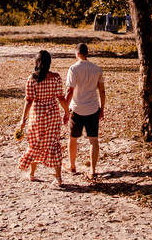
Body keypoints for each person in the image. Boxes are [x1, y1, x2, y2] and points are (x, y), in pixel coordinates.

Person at [18, 50, 69, 185]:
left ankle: (32, 174)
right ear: (49, 63)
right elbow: (61, 98)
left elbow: (29, 100)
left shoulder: (32, 79)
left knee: (34, 143)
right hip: (53, 115)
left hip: (37, 116)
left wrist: (23, 119)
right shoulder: (56, 77)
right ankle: (58, 177)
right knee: (54, 144)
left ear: (36, 62)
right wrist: (67, 112)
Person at [64, 43, 105, 179]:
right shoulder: (97, 69)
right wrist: (102, 108)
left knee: (73, 138)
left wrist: (65, 109)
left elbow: (70, 91)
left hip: (76, 108)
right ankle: (93, 170)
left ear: (77, 54)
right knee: (93, 140)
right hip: (93, 108)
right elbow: (102, 91)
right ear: (87, 53)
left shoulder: (73, 69)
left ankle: (72, 165)